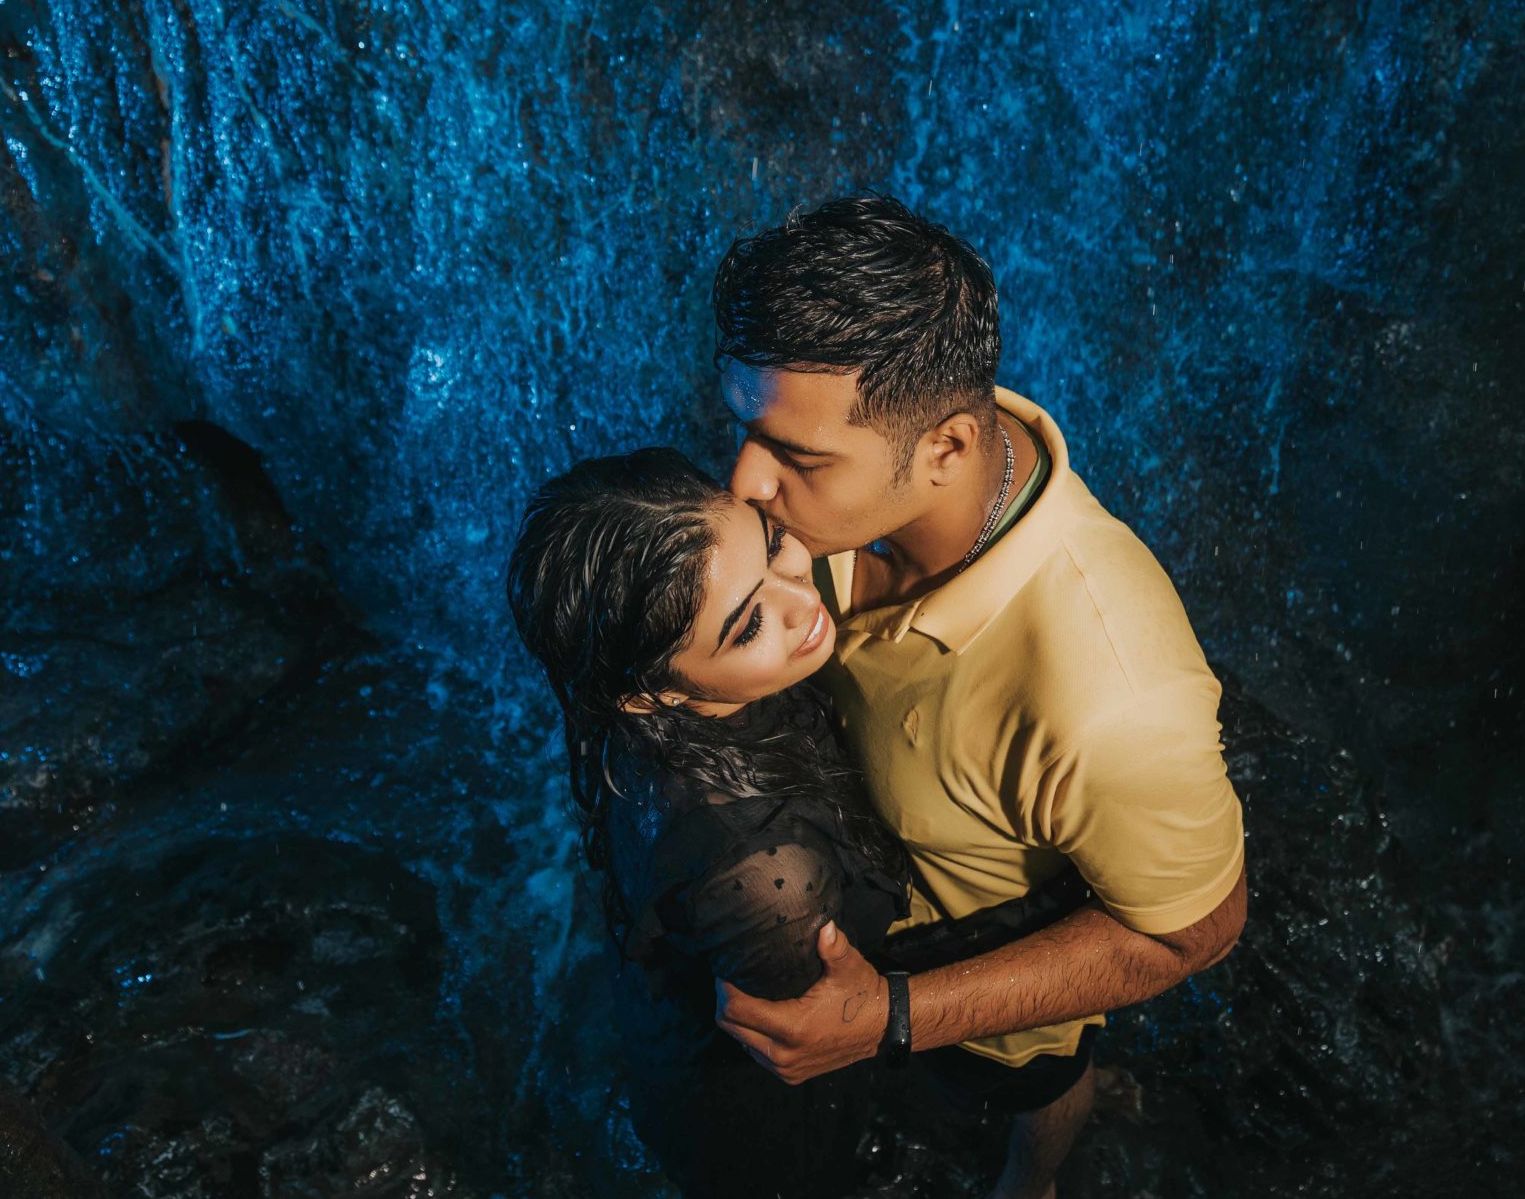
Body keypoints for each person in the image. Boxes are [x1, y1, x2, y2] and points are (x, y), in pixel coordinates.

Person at [706, 196, 1251, 1199]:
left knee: (1038, 1090)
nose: (742, 481)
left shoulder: (1111, 699)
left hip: (975, 982)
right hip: (863, 890)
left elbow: (1197, 929)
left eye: (798, 458)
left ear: (948, 449)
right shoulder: (896, 439)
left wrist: (894, 1015)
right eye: (744, 428)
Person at [504, 448, 913, 1199]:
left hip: (665, 1021)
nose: (802, 598)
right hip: (767, 1130)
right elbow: (817, 1039)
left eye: (772, 542)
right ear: (648, 696)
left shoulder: (635, 702)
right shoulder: (767, 879)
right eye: (749, 621)